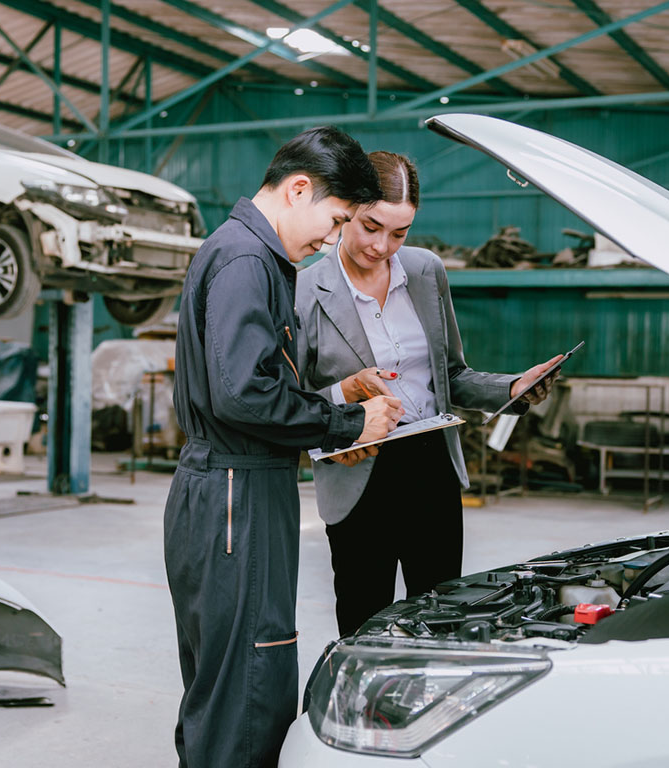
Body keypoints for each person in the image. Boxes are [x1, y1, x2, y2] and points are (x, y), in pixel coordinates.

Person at [164, 128, 404, 768]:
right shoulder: (247, 260)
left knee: (228, 684)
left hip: (233, 489)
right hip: (236, 496)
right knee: (247, 689)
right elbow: (244, 394)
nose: (333, 238)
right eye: (337, 220)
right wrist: (346, 423)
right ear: (299, 189)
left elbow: (251, 383)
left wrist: (335, 402)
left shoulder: (246, 254)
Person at [296, 151, 563, 637]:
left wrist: (512, 387)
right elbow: (295, 399)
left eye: (399, 233)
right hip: (359, 469)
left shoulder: (425, 272)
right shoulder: (305, 290)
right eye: (371, 227)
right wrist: (346, 391)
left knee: (442, 618)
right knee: (363, 621)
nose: (382, 246)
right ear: (347, 210)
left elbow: (452, 374)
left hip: (431, 467)